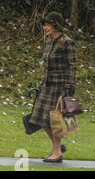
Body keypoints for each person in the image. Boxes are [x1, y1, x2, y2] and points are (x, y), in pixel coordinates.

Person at [30, 12, 76, 163]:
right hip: (47, 86)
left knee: (55, 121)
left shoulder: (67, 42)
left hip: (60, 87)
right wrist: (42, 84)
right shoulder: (49, 42)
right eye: (45, 25)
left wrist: (69, 88)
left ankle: (56, 153)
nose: (45, 28)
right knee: (40, 119)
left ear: (56, 25)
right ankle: (59, 145)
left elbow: (71, 66)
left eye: (48, 25)